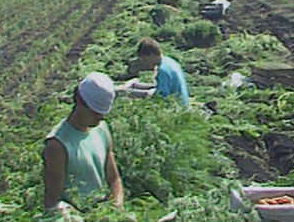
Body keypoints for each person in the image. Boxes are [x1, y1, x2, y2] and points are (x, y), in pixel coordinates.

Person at [42, 72, 124, 211]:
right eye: (94, 113)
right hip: (76, 217)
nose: (98, 119)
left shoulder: (101, 129)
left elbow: (114, 178)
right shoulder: (58, 144)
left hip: (101, 211)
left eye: (102, 115)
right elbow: (52, 200)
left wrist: (117, 202)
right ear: (79, 102)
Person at [117, 37, 189, 105]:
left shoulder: (163, 70)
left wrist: (131, 93)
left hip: (176, 107)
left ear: (151, 55)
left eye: (145, 60)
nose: (146, 63)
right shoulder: (170, 61)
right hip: (183, 103)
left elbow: (161, 96)